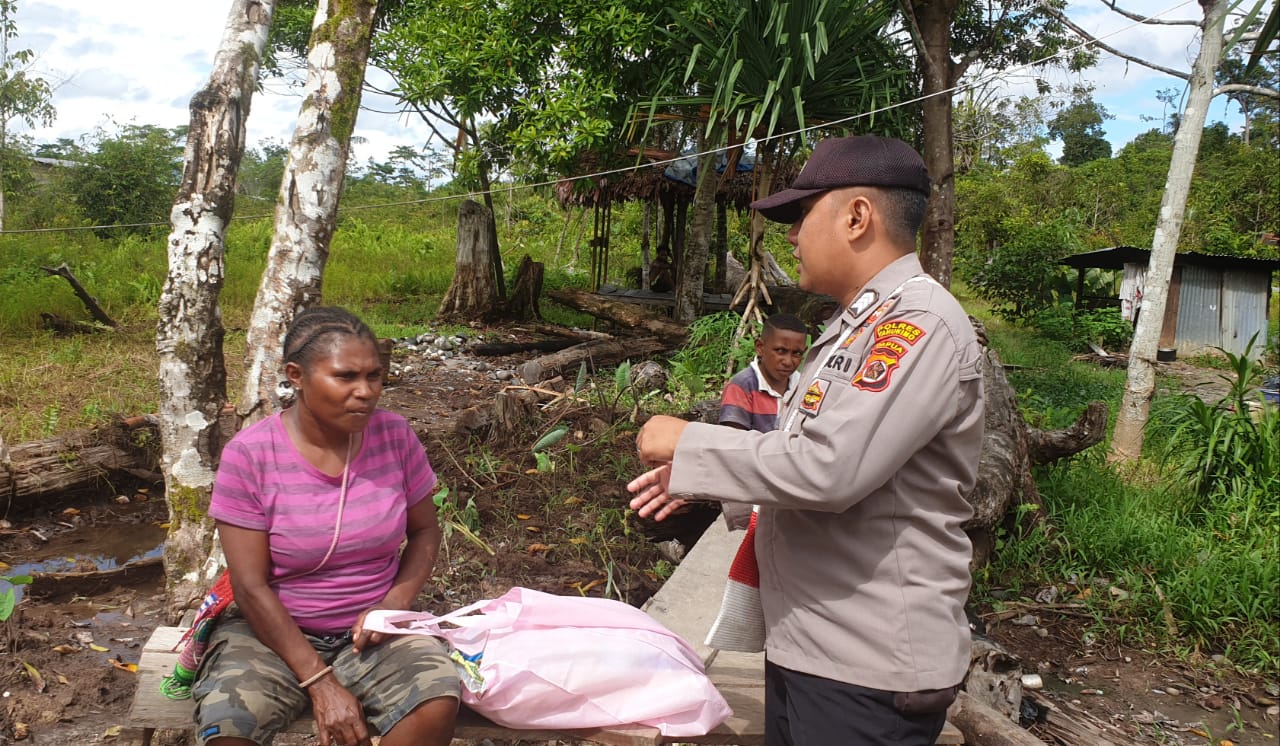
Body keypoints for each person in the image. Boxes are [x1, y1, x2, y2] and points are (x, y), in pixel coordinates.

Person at [628, 135, 985, 745]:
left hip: (867, 662)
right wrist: (704, 483)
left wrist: (689, 443)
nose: (790, 236)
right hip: (812, 644)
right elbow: (799, 454)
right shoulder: (850, 329)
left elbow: (827, 470)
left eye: (801, 215)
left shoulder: (917, 325)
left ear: (856, 217)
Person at [193, 307, 459, 746]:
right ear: (296, 375)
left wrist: (391, 605)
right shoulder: (251, 455)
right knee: (229, 725)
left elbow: (426, 531)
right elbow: (249, 586)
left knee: (436, 700)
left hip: (371, 635)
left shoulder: (394, 436)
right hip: (270, 634)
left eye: (374, 376)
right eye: (346, 377)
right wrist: (318, 680)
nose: (366, 392)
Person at [719, 313, 808, 434]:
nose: (788, 361)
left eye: (797, 353)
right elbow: (734, 442)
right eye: (781, 351)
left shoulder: (804, 385)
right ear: (760, 347)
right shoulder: (742, 386)